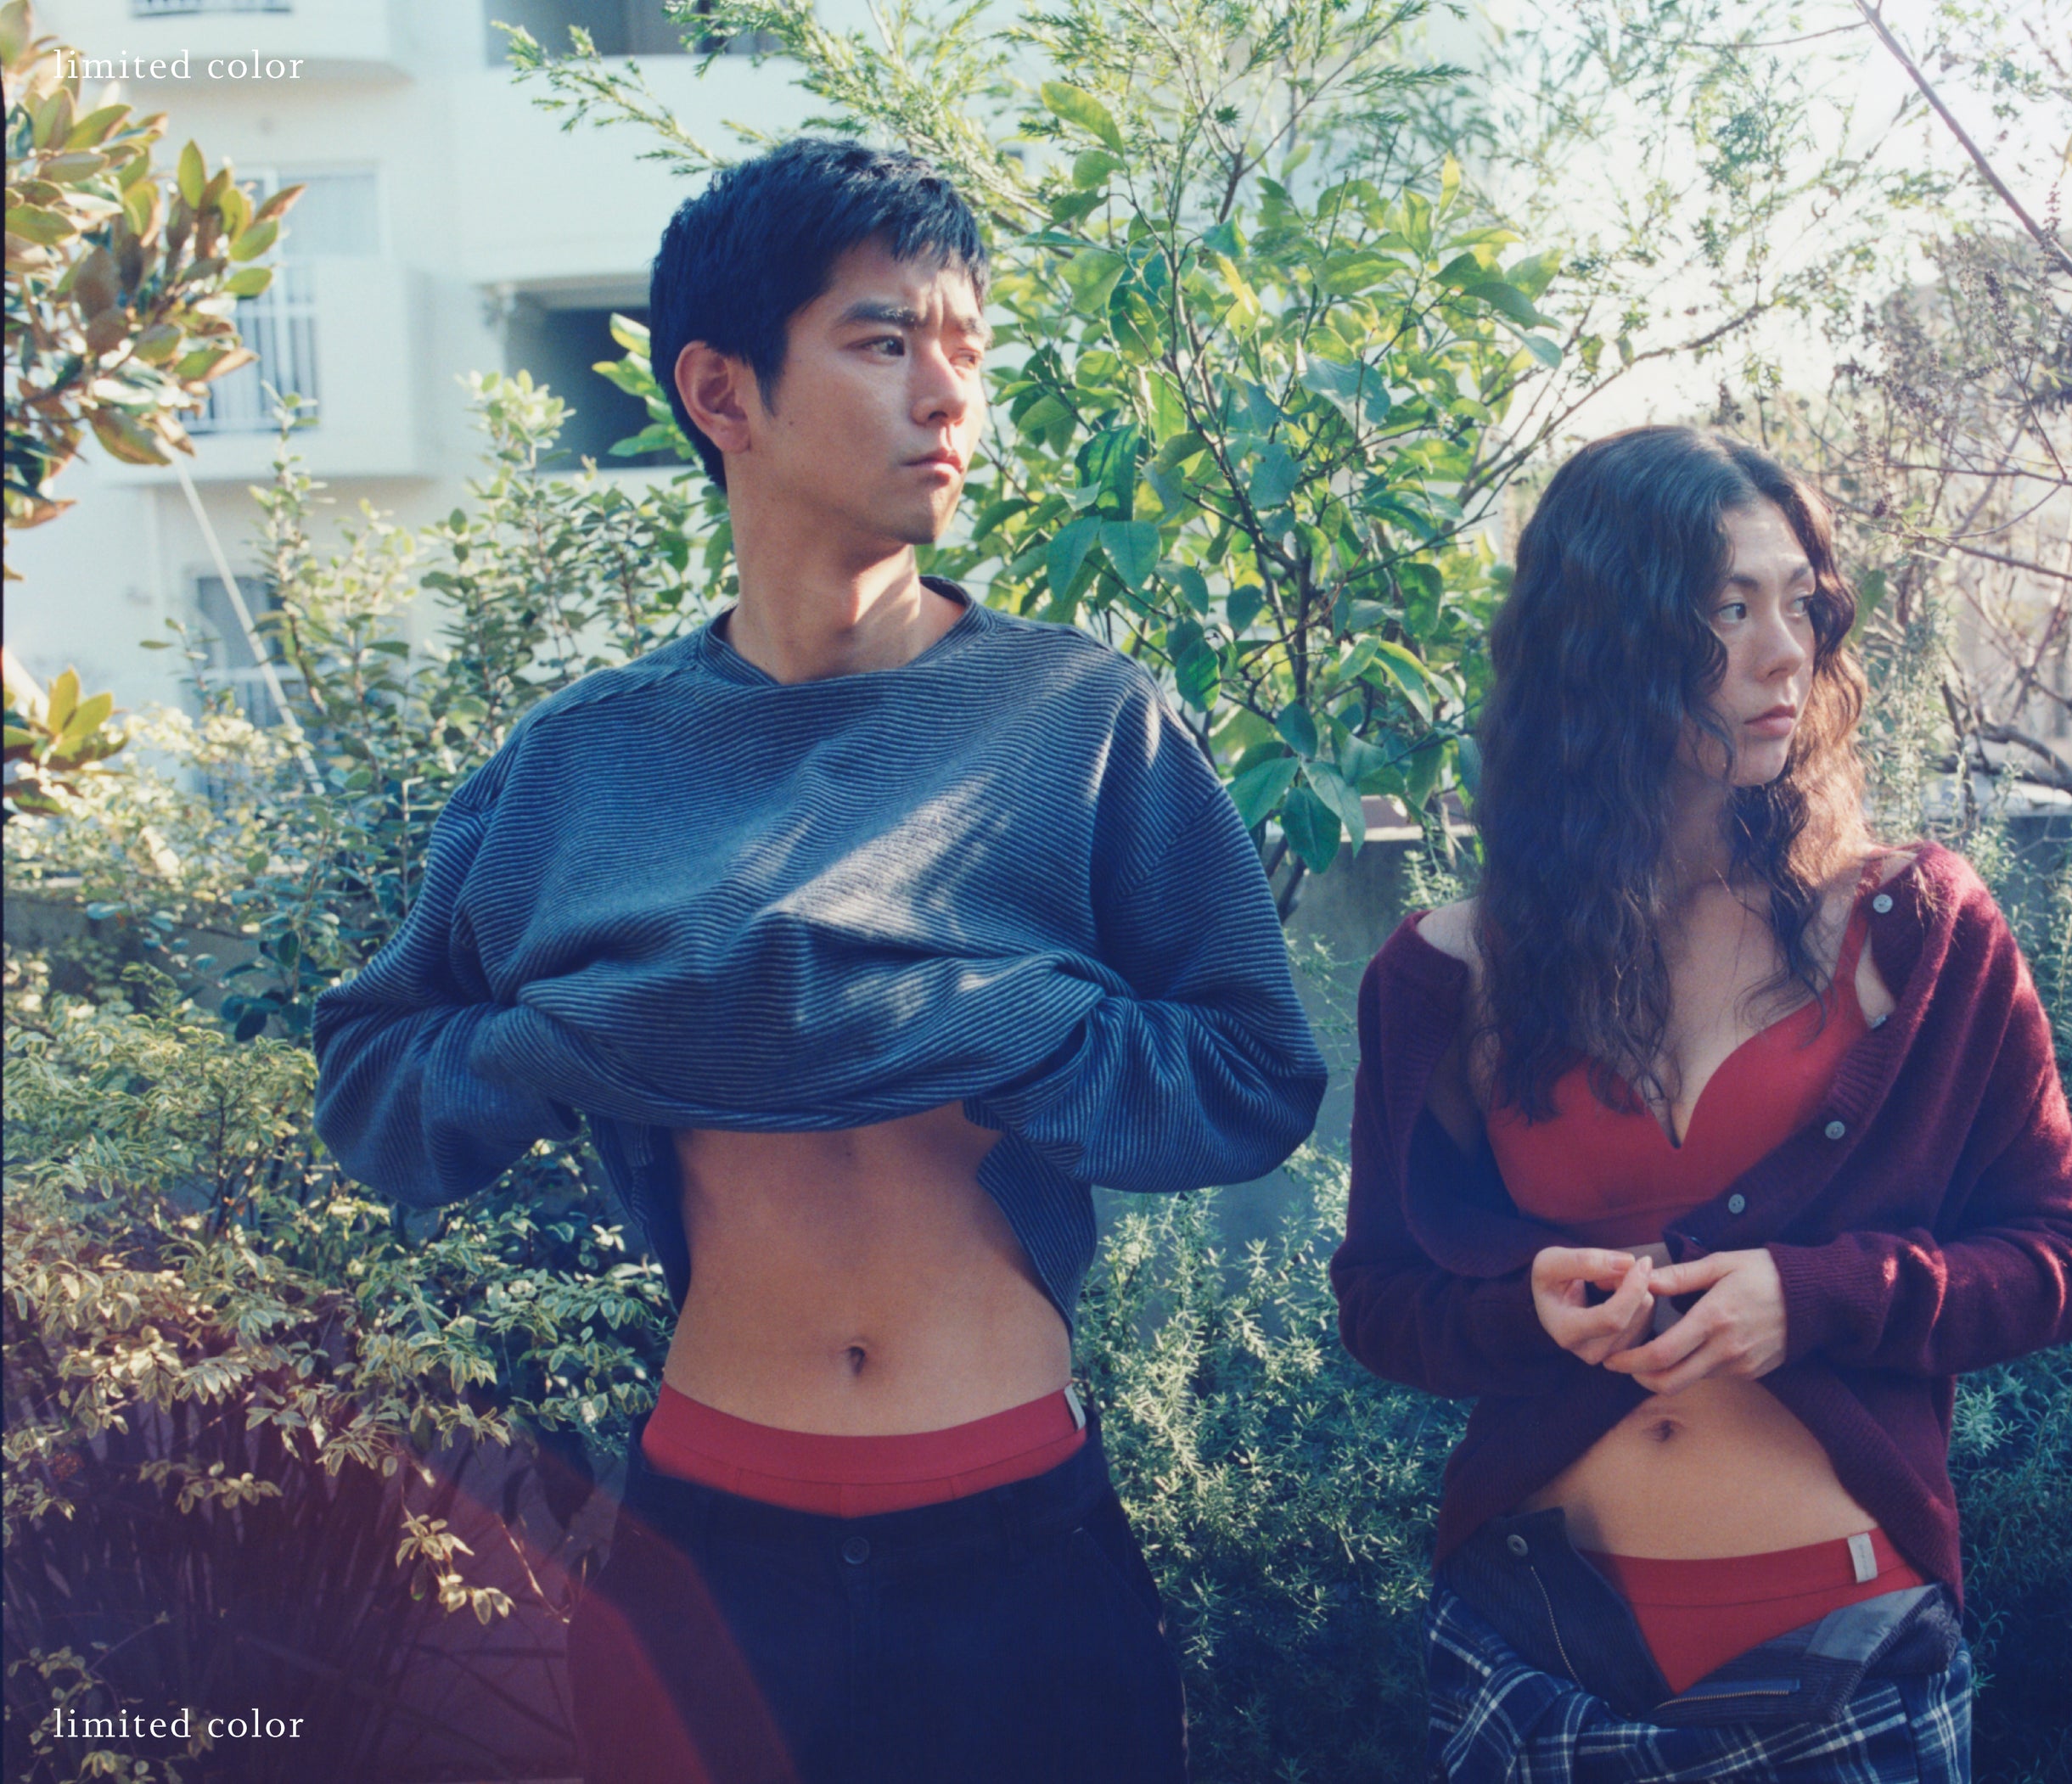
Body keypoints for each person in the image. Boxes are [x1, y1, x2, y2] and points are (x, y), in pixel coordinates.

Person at [312, 137, 1328, 1784]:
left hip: (1018, 1543)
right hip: (711, 1553)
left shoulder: (1078, 723)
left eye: (967, 345)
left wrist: (972, 1024)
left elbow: (1254, 1076)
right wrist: (592, 1039)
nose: (949, 393)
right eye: (884, 339)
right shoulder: (584, 762)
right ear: (723, 390)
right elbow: (375, 1085)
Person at [1330, 427, 2072, 1782]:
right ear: (1600, 643)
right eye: (1724, 610)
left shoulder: (1918, 931)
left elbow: (2061, 1262)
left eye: (1798, 602)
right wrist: (1526, 1311)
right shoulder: (1451, 972)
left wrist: (1814, 1297)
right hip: (1532, 1657)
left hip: (1844, 1665)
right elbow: (1381, 1300)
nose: (1782, 653)